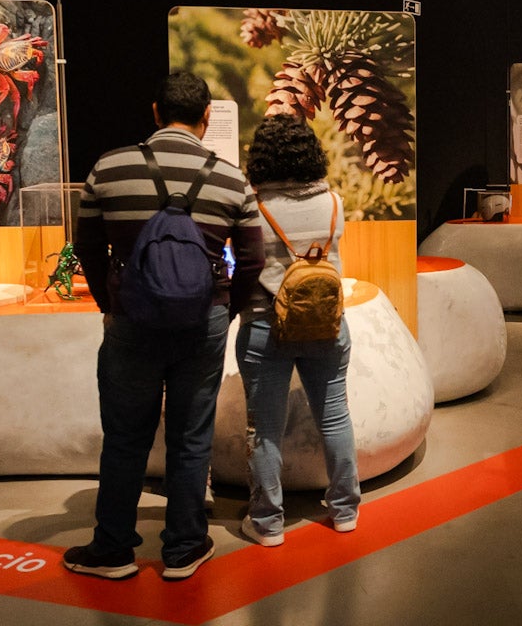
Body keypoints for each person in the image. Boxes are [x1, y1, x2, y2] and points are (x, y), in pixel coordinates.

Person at [65, 71, 266, 581]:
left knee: (125, 436)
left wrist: (108, 301)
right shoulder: (230, 178)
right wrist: (227, 305)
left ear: (155, 112)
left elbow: (85, 246)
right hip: (203, 322)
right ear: (205, 119)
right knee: (191, 434)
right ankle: (183, 547)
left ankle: (112, 549)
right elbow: (253, 258)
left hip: (131, 320)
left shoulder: (108, 168)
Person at [236, 115, 360, 547]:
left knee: (265, 428)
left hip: (264, 326)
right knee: (335, 414)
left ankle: (268, 523)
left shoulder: (253, 207)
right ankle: (345, 510)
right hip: (327, 325)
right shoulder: (335, 202)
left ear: (262, 158)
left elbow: (245, 265)